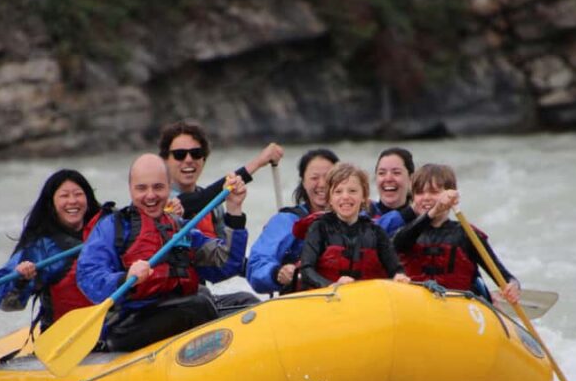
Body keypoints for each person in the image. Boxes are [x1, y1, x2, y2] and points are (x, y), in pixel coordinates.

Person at [76, 153, 249, 352]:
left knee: (246, 302)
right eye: (142, 188)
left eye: (158, 187)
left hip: (180, 308)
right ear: (131, 189)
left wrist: (234, 209)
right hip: (128, 322)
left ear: (169, 186)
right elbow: (87, 275)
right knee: (198, 304)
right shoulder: (114, 227)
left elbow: (226, 264)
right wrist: (125, 278)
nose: (150, 195)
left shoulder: (180, 227)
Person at [0, 169, 113, 331]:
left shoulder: (110, 228)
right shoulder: (40, 248)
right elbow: (4, 303)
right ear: (52, 203)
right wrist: (21, 280)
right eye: (64, 196)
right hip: (67, 333)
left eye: (78, 194)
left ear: (88, 199)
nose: (72, 201)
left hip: (114, 326)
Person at [392, 163, 520, 304]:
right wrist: (433, 211)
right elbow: (397, 245)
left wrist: (513, 286)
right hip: (416, 306)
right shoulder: (406, 233)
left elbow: (506, 278)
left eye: (434, 192)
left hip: (458, 309)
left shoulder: (467, 234)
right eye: (420, 193)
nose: (426, 197)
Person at [158, 120, 283, 239]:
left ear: (204, 158)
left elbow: (229, 252)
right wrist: (259, 162)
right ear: (165, 160)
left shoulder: (215, 207)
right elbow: (198, 200)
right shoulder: (159, 201)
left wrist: (235, 210)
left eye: (196, 153)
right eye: (179, 154)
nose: (189, 160)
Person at [298, 162, 410, 289]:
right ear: (330, 198)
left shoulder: (376, 232)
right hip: (328, 299)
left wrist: (399, 276)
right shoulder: (318, 228)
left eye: (352, 191)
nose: (345, 197)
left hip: (366, 300)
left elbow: (396, 269)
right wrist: (331, 286)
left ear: (364, 196)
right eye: (338, 192)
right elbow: (306, 270)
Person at [246, 148, 339, 294]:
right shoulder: (287, 221)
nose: (322, 184)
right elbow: (257, 266)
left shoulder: (361, 218)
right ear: (303, 182)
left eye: (328, 177)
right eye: (314, 178)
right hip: (303, 301)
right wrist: (277, 273)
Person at [370, 147, 418, 235]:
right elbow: (371, 234)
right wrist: (407, 214)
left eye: (396, 173)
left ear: (411, 179)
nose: (388, 178)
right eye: (382, 173)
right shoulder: (362, 213)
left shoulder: (422, 218)